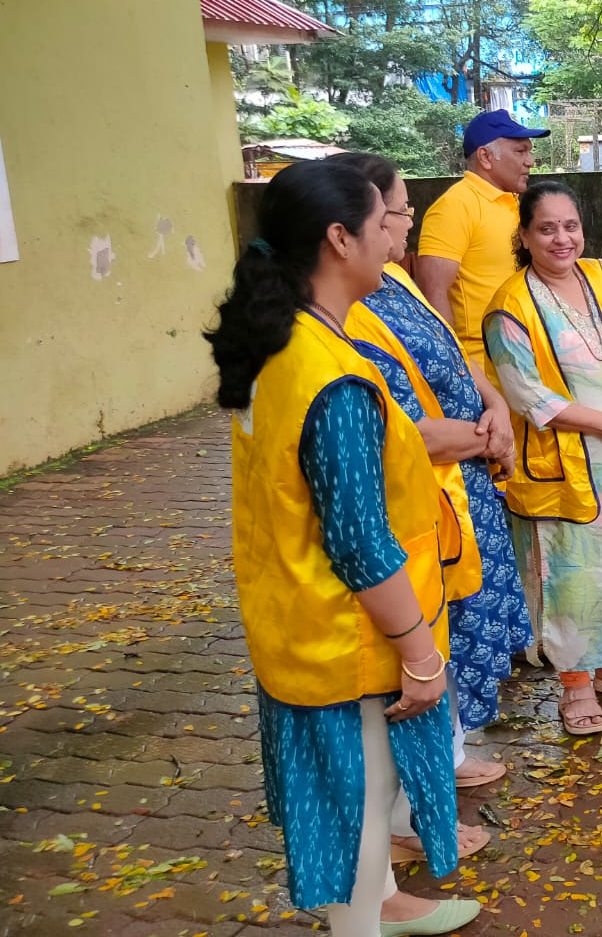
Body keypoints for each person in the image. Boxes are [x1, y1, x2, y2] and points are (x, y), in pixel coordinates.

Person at [204, 161, 478, 937]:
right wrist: (420, 655)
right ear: (337, 238)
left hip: (296, 628)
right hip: (350, 646)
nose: (397, 233)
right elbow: (361, 545)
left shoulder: (281, 346)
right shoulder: (331, 378)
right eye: (382, 220)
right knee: (358, 833)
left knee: (339, 816)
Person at [332, 153, 533, 858]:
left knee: (456, 635)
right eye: (397, 211)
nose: (408, 223)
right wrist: (465, 436)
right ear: (350, 228)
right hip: (423, 493)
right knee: (416, 656)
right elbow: (390, 427)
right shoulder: (341, 310)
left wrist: (492, 405)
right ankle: (402, 819)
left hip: (462, 484)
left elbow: (452, 350)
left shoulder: (394, 280)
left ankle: (442, 762)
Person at [483, 181, 602, 736]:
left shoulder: (601, 275)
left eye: (570, 226)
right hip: (562, 465)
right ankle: (576, 685)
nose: (562, 239)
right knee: (569, 579)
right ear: (523, 235)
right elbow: (528, 396)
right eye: (546, 229)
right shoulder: (509, 306)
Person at [415, 108, 546, 369]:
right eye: (520, 151)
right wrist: (458, 370)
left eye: (529, 151)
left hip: (527, 356)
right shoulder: (454, 206)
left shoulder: (516, 202)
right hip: (484, 365)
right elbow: (433, 292)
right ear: (485, 156)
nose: (530, 161)